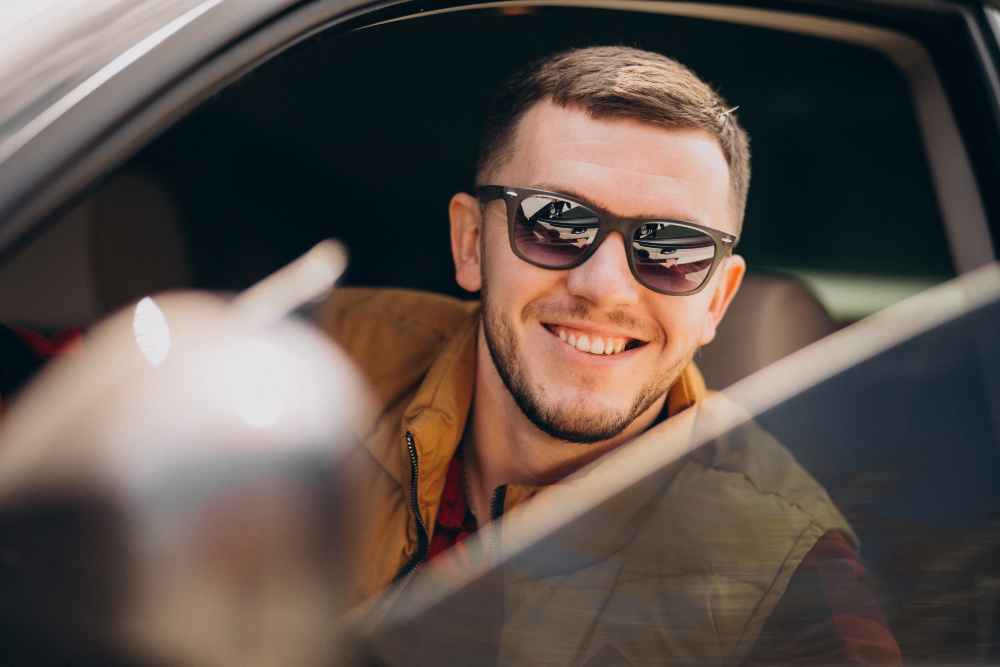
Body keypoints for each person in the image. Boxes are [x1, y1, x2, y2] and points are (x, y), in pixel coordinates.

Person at [320, 46, 900, 664]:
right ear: (470, 244)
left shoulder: (786, 570)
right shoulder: (313, 364)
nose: (605, 288)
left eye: (673, 250)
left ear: (716, 302)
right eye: (556, 222)